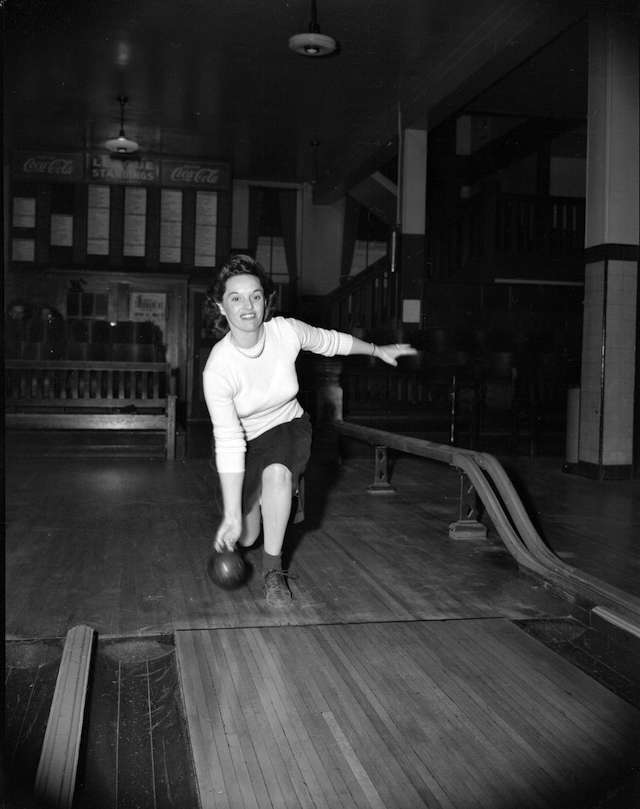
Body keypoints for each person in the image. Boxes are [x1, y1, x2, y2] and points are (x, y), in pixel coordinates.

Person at [202, 254, 417, 607]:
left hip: (287, 426)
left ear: (266, 301)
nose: (247, 306)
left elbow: (332, 341)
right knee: (246, 535)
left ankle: (274, 571)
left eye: (256, 296)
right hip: (244, 442)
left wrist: (378, 350)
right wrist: (229, 514)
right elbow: (228, 442)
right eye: (236, 297)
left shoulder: (285, 331)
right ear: (221, 307)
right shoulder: (218, 369)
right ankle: (258, 508)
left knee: (278, 476)